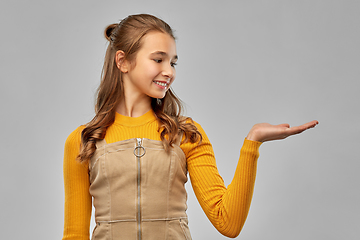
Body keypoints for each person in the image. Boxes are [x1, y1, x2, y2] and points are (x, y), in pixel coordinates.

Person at [62, 14, 318, 240]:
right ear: (123, 61)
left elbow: (228, 222)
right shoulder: (85, 140)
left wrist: (252, 143)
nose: (169, 72)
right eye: (158, 59)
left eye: (172, 63)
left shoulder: (185, 134)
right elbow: (74, 235)